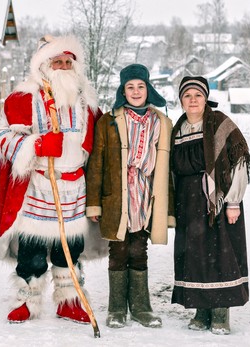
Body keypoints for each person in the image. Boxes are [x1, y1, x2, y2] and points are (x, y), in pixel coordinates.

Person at [0, 34, 105, 324]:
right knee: (32, 249)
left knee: (69, 250)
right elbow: (3, 141)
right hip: (40, 185)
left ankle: (69, 301)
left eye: (69, 61)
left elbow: (101, 147)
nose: (64, 66)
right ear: (44, 65)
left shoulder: (87, 103)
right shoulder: (23, 99)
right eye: (58, 61)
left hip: (75, 187)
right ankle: (27, 301)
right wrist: (38, 145)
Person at [86, 64, 175, 329]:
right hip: (117, 196)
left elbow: (166, 170)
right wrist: (93, 203)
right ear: (122, 91)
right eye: (130, 87)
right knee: (119, 250)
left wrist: (168, 209)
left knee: (139, 250)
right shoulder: (109, 121)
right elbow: (96, 164)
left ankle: (140, 307)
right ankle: (116, 310)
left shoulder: (161, 122)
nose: (136, 91)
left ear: (148, 89)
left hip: (147, 195)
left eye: (140, 86)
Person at [170, 76, 250, 334]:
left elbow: (239, 161)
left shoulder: (219, 123)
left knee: (220, 257)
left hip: (216, 203)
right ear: (181, 100)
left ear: (206, 98)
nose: (192, 100)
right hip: (188, 205)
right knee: (194, 258)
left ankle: (220, 313)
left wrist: (233, 202)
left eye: (197, 95)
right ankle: (201, 310)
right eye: (187, 96)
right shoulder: (179, 127)